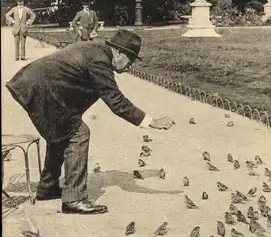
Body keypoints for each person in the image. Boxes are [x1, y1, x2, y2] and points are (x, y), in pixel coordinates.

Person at [6, 29, 175, 215]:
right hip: (41, 89)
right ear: (119, 52)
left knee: (64, 131)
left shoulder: (98, 50)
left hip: (34, 84)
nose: (130, 66)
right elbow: (116, 102)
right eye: (131, 59)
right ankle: (74, 199)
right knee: (78, 133)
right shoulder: (100, 62)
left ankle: (48, 188)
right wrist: (152, 121)